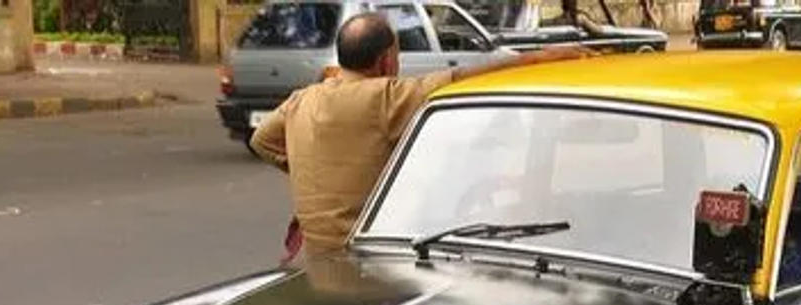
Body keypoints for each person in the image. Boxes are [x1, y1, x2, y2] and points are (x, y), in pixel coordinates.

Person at [250, 12, 591, 263]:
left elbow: (262, 141)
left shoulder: (302, 99)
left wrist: (318, 170)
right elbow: (459, 77)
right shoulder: (385, 97)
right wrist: (538, 58)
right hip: (368, 259)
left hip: (312, 259)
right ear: (386, 60)